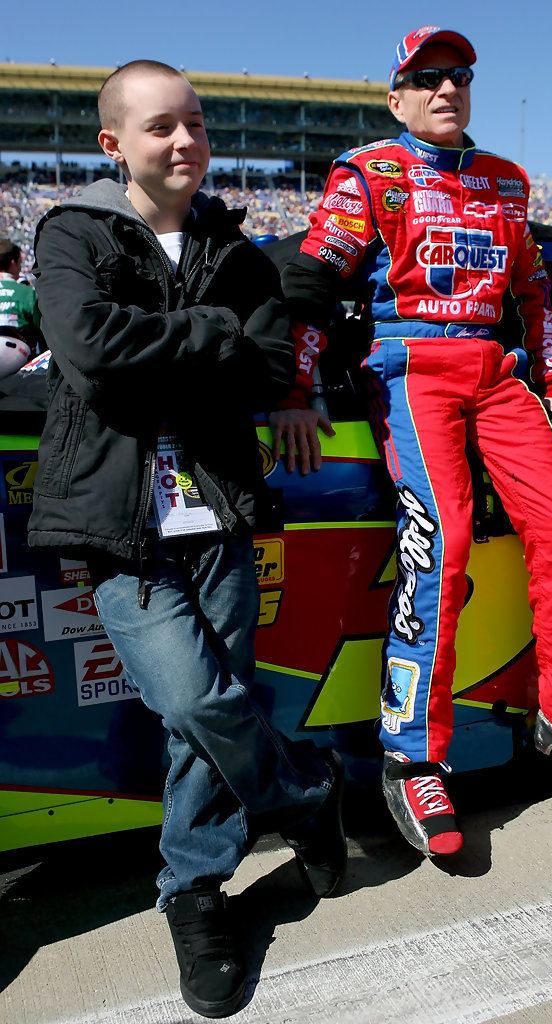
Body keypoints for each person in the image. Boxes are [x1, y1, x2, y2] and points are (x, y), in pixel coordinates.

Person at [270, 25, 552, 862]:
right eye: (426, 78)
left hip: (496, 374)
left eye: (459, 76)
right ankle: (413, 755)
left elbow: (538, 294)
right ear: (395, 97)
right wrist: (293, 390)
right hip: (409, 369)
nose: (446, 89)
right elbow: (311, 286)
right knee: (442, 549)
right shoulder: (369, 172)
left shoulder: (506, 183)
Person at [28, 60, 346, 1020]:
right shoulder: (71, 230)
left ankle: (195, 893)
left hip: (220, 515)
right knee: (198, 697)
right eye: (162, 127)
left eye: (197, 125)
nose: (185, 143)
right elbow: (84, 348)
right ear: (112, 143)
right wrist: (208, 333)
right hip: (117, 523)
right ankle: (297, 794)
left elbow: (259, 365)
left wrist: (177, 347)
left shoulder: (237, 248)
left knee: (196, 722)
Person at [0, 239, 43, 378]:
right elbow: (43, 329)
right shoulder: (26, 293)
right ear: (13, 262)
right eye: (20, 262)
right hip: (16, 359)